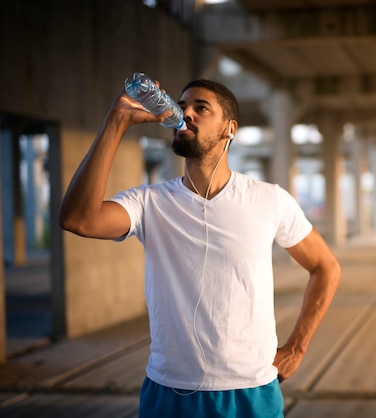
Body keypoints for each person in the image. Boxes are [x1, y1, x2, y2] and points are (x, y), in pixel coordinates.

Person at [59, 78, 341, 417]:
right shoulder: (149, 202)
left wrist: (296, 347)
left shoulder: (270, 199)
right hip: (169, 391)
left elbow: (325, 267)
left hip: (250, 392)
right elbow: (79, 220)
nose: (185, 113)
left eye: (200, 108)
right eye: (182, 105)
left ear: (229, 129)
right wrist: (116, 121)